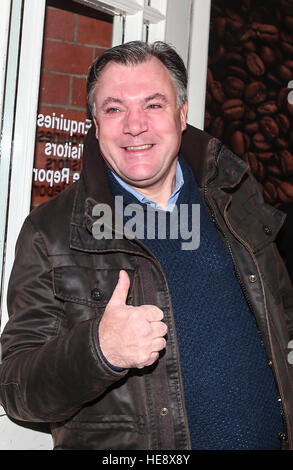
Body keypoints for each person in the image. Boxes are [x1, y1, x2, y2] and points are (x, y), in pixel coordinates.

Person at [0, 40, 293, 451]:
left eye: (153, 105)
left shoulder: (234, 198)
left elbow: (280, 314)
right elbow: (17, 391)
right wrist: (98, 351)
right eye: (114, 108)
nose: (134, 125)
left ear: (182, 114)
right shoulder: (49, 233)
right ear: (96, 125)